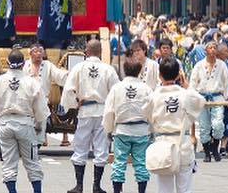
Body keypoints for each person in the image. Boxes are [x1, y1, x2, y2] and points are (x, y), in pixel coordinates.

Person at [0, 48, 51, 193]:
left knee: (8, 164)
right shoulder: (31, 82)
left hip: (5, 125)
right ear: (23, 64)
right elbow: (41, 109)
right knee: (32, 163)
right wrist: (39, 128)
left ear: (7, 63)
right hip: (25, 125)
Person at [61, 39, 120, 193]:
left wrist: (74, 103)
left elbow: (68, 89)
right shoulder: (108, 69)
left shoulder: (79, 67)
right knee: (101, 149)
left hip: (85, 111)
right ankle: (96, 186)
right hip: (102, 111)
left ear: (86, 51)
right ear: (100, 52)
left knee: (80, 147)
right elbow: (116, 93)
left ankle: (79, 185)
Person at [148, 56, 204, 193]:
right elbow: (200, 101)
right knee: (184, 189)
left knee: (164, 189)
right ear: (179, 74)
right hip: (183, 143)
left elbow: (146, 115)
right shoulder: (185, 94)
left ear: (160, 75)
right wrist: (187, 86)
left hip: (163, 143)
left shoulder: (154, 96)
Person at [102, 58, 154, 193]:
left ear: (124, 71)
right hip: (141, 130)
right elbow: (152, 111)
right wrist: (152, 130)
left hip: (122, 130)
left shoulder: (117, 88)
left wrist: (108, 129)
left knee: (119, 163)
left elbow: (109, 110)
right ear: (139, 71)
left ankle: (117, 191)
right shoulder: (146, 88)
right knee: (141, 163)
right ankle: (141, 191)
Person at [187, 39, 228, 163]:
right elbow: (193, 83)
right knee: (204, 127)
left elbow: (226, 82)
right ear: (205, 51)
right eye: (210, 48)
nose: (212, 50)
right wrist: (193, 97)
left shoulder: (222, 65)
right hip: (202, 98)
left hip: (217, 97)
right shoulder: (199, 65)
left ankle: (215, 148)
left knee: (218, 124)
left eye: (214, 48)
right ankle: (207, 152)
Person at [25, 43, 69, 146]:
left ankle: (36, 148)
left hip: (42, 102)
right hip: (26, 103)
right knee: (26, 128)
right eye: (36, 51)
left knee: (40, 128)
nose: (38, 54)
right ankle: (27, 149)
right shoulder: (25, 65)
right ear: (30, 53)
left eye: (41, 51)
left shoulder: (47, 65)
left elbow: (58, 75)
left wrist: (70, 76)